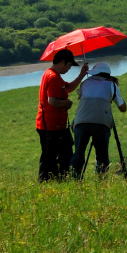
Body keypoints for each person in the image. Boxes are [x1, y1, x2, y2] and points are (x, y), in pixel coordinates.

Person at [36, 48, 88, 182]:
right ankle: (48, 182)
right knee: (52, 157)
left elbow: (68, 88)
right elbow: (52, 101)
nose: (69, 69)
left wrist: (82, 75)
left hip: (55, 125)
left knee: (61, 155)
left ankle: (58, 181)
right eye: (69, 66)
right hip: (51, 125)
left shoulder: (54, 75)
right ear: (62, 62)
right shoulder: (53, 77)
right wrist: (66, 103)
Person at [70, 62, 127, 179]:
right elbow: (123, 108)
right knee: (102, 157)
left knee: (78, 154)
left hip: (81, 122)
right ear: (107, 74)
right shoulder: (111, 85)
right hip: (101, 123)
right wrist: (115, 90)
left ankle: (73, 180)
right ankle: (100, 182)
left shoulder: (85, 83)